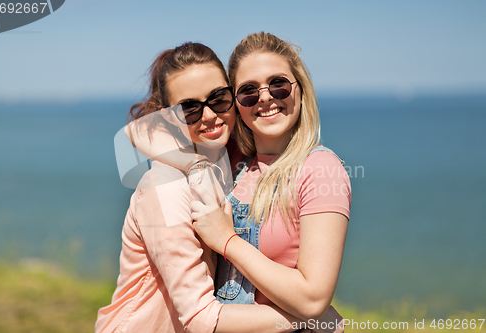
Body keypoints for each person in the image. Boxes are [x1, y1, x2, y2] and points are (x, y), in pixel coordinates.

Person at [96, 41, 338, 333]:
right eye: (189, 108)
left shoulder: (230, 156)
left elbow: (136, 132)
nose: (209, 115)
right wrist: (310, 318)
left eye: (218, 99)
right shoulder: (167, 188)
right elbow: (200, 318)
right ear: (168, 117)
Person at [190, 32, 351, 331]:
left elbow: (313, 300)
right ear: (236, 104)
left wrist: (228, 241)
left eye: (278, 84)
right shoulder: (233, 166)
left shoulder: (319, 169)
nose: (265, 96)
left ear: (300, 90)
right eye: (249, 90)